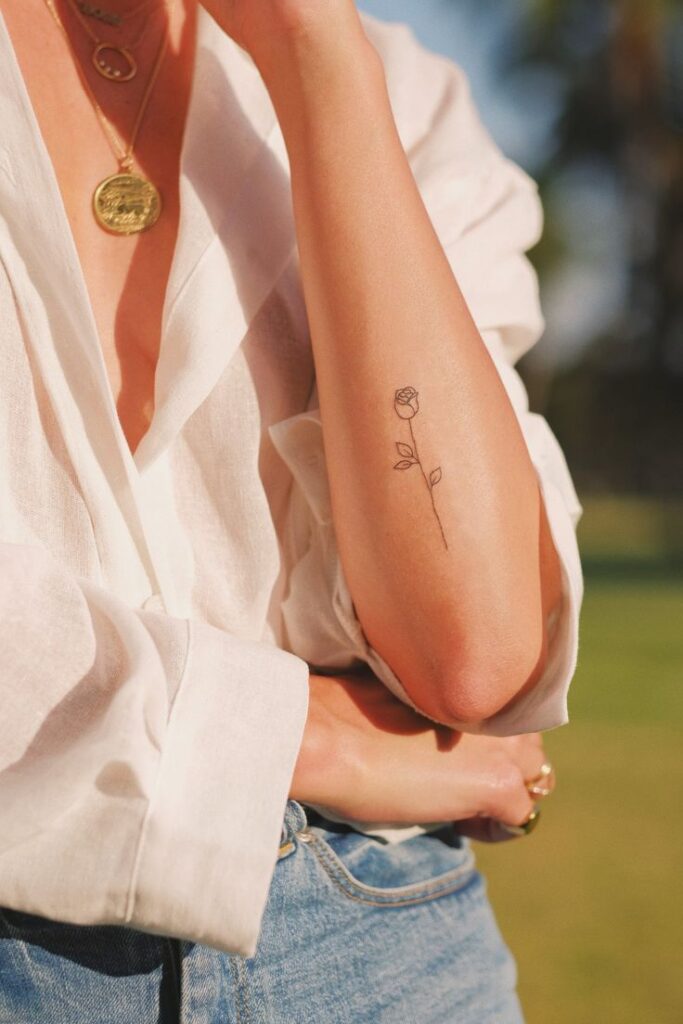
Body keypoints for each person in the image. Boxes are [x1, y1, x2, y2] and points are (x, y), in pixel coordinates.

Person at [0, 0, 584, 1020]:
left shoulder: (403, 95)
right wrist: (310, 743)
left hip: (383, 937)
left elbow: (472, 654)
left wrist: (318, 63)